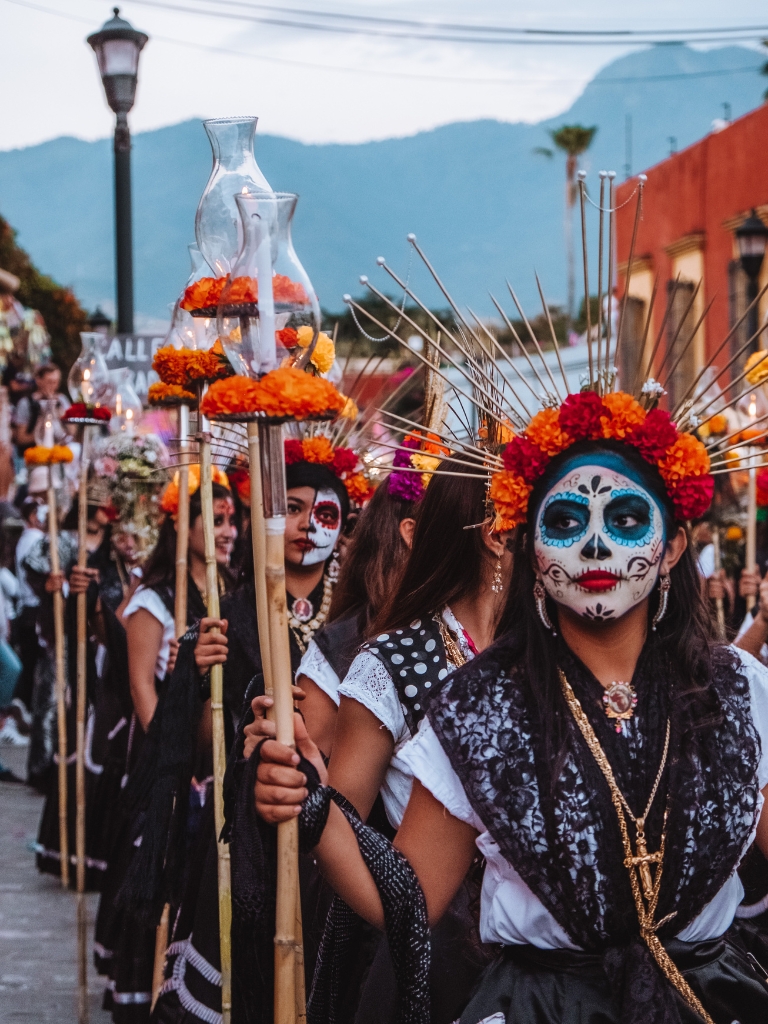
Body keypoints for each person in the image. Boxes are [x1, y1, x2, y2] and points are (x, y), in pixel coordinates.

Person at [257, 408, 768, 1024]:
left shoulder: (739, 689)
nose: (596, 545)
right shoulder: (481, 705)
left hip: (709, 1002)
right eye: (566, 521)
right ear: (527, 547)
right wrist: (312, 807)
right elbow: (413, 897)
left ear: (672, 548)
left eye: (627, 521)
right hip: (542, 1008)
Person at [241, 456, 513, 1024]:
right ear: (496, 533)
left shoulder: (552, 655)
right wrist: (304, 785)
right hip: (433, 952)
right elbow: (346, 825)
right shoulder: (389, 661)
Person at [148, 441, 361, 1024]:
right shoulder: (227, 615)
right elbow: (188, 750)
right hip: (234, 828)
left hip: (330, 835)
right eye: (291, 508)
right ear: (264, 518)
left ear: (344, 531)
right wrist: (200, 680)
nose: (305, 526)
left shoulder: (362, 618)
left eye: (324, 514)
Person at [94, 466, 236, 1022]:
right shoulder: (157, 598)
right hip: (163, 754)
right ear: (185, 526)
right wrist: (176, 762)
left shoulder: (237, 591)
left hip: (215, 756)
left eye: (232, 521)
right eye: (214, 520)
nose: (226, 531)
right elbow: (140, 686)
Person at [12, 362, 69, 456]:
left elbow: (72, 432)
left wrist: (59, 412)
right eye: (50, 382)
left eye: (56, 382)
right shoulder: (26, 403)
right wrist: (43, 433)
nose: (54, 386)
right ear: (39, 381)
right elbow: (21, 438)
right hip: (35, 454)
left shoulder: (61, 400)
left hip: (60, 451)